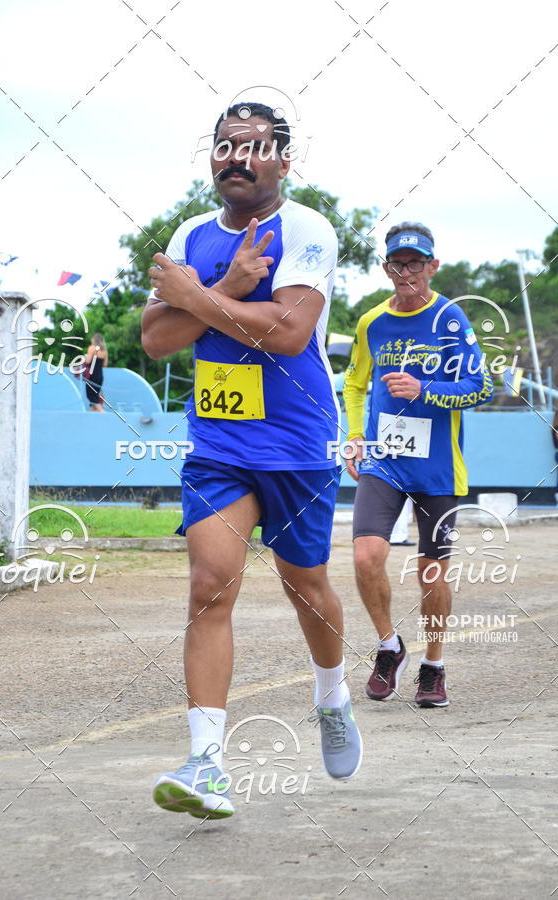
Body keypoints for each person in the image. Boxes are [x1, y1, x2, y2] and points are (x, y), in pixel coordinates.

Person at [141, 102, 361, 820]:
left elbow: (289, 331)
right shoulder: (190, 234)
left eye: (255, 147)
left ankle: (331, 696)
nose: (236, 158)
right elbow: (156, 340)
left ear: (283, 161)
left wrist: (199, 298)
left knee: (307, 586)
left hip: (296, 442)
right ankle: (206, 764)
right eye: (224, 146)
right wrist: (229, 289)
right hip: (219, 444)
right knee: (209, 585)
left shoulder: (306, 229)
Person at [343, 222, 494, 708]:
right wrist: (355, 437)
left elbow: (481, 387)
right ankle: (389, 646)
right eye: (397, 263)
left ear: (433, 266)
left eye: (415, 263)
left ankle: (433, 666)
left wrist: (425, 389)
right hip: (384, 461)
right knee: (365, 557)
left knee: (432, 572)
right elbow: (354, 385)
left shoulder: (450, 319)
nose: (406, 272)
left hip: (437, 468)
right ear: (386, 268)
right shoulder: (371, 322)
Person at [84, 332, 108, 412]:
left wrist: (84, 358)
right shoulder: (104, 351)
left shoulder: (92, 348)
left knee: (91, 397)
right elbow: (105, 365)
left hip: (92, 376)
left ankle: (104, 414)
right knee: (95, 397)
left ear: (94, 340)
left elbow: (88, 361)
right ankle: (93, 417)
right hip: (100, 376)